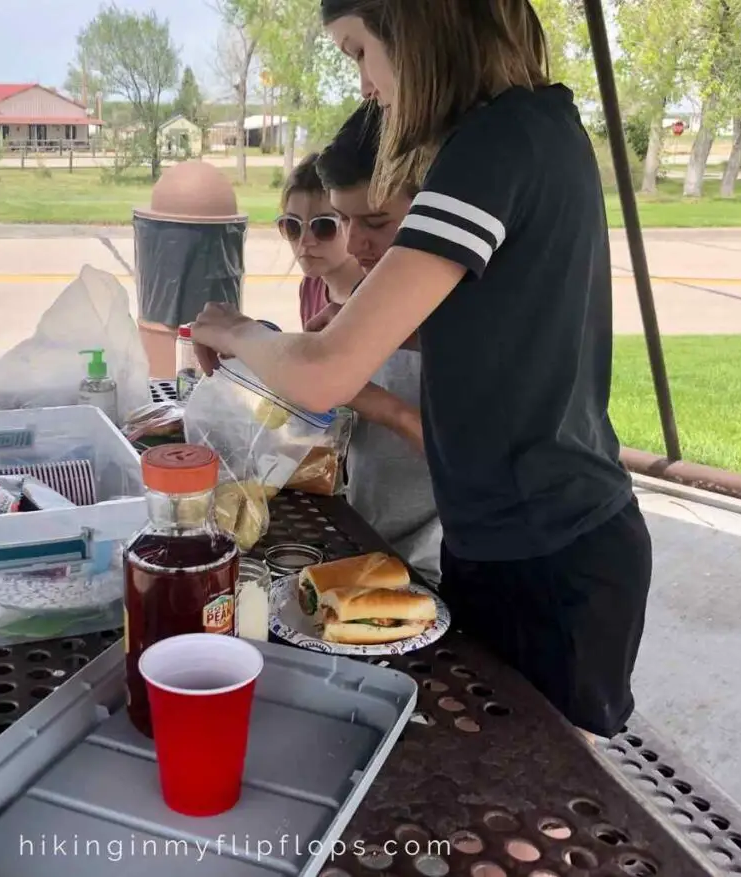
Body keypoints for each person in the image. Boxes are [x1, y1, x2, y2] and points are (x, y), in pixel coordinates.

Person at [189, 0, 652, 742]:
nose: (368, 85)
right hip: (522, 540)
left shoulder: (491, 146)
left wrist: (235, 329)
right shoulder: (544, 126)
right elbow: (492, 336)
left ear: (413, 25)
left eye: (357, 52)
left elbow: (324, 374)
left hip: (549, 554)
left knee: (540, 807)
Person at [314, 101, 442, 583]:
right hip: (373, 543)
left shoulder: (478, 316)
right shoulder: (371, 296)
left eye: (375, 222)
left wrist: (356, 389)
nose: (351, 245)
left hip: (441, 567)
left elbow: (482, 464)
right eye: (342, 220)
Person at [276, 153, 363, 326]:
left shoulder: (379, 295)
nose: (305, 241)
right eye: (292, 225)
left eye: (324, 226)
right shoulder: (311, 285)